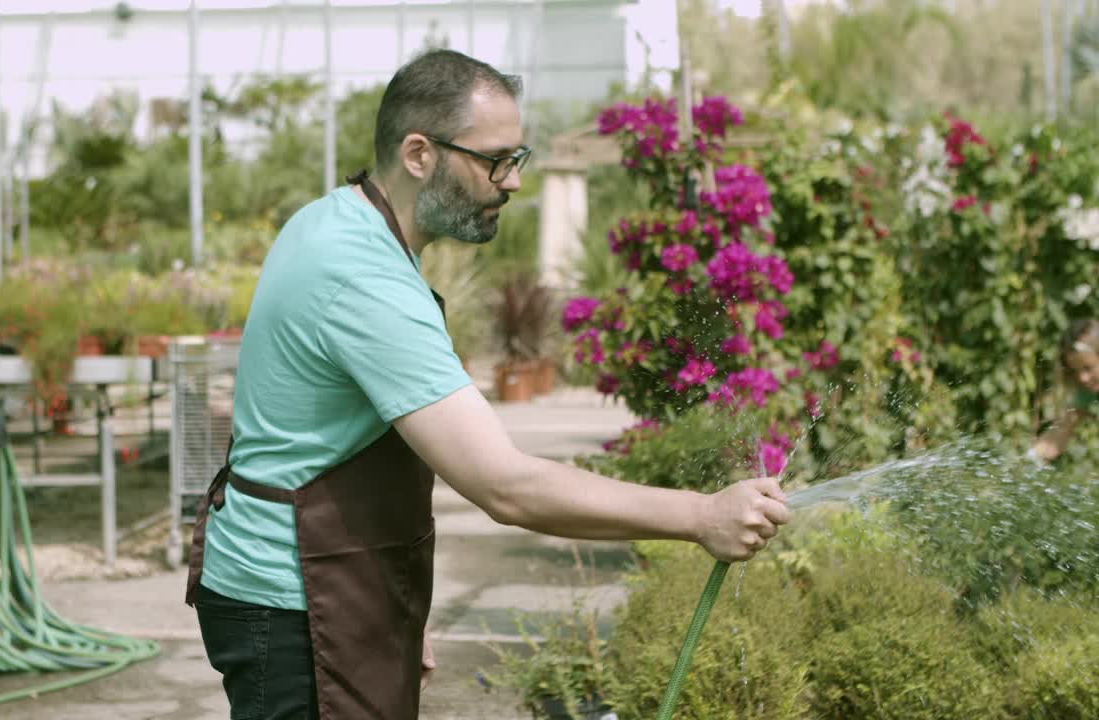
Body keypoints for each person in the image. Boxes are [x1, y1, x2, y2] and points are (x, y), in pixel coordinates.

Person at [186, 49, 791, 720]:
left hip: (327, 585)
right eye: (495, 160)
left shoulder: (334, 220)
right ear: (419, 154)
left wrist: (391, 607)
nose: (512, 182)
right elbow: (505, 485)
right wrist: (701, 516)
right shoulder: (364, 276)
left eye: (517, 158)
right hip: (298, 600)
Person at [1031, 318, 1099, 463]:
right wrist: (1028, 459)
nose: (1082, 378)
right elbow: (1059, 434)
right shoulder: (1087, 392)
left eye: (1088, 368)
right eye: (1075, 371)